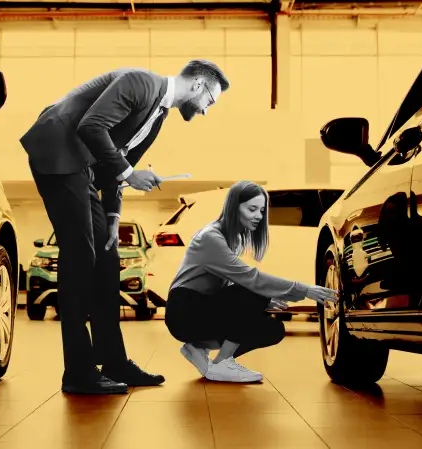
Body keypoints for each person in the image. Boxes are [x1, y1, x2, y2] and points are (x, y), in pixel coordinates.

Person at [19, 60, 230, 395]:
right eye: (210, 102)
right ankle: (78, 370)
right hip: (58, 148)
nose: (206, 111)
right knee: (80, 255)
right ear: (198, 85)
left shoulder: (158, 117)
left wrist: (114, 217)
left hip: (82, 165)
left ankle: (113, 360)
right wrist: (131, 175)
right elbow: (92, 126)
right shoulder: (140, 82)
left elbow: (115, 161)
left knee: (105, 257)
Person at [165, 181, 339, 382]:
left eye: (262, 210)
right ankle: (222, 362)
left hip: (202, 307)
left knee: (273, 330)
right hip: (184, 311)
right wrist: (304, 289)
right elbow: (251, 279)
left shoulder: (233, 238)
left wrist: (265, 300)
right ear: (233, 207)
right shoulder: (210, 237)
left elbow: (230, 283)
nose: (259, 216)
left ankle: (198, 347)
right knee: (254, 289)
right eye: (252, 209)